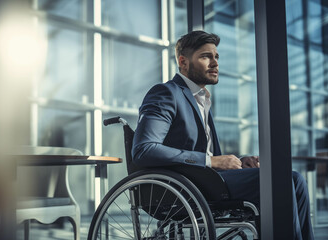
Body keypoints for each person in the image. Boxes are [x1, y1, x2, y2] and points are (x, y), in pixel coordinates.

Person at [132, 30, 314, 240]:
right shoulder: (166, 93)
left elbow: (204, 153)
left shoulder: (200, 99)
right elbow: (144, 149)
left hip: (206, 181)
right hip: (182, 189)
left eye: (216, 56)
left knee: (295, 178)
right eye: (205, 56)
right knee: (276, 181)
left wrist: (238, 162)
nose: (215, 63)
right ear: (183, 62)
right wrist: (211, 161)